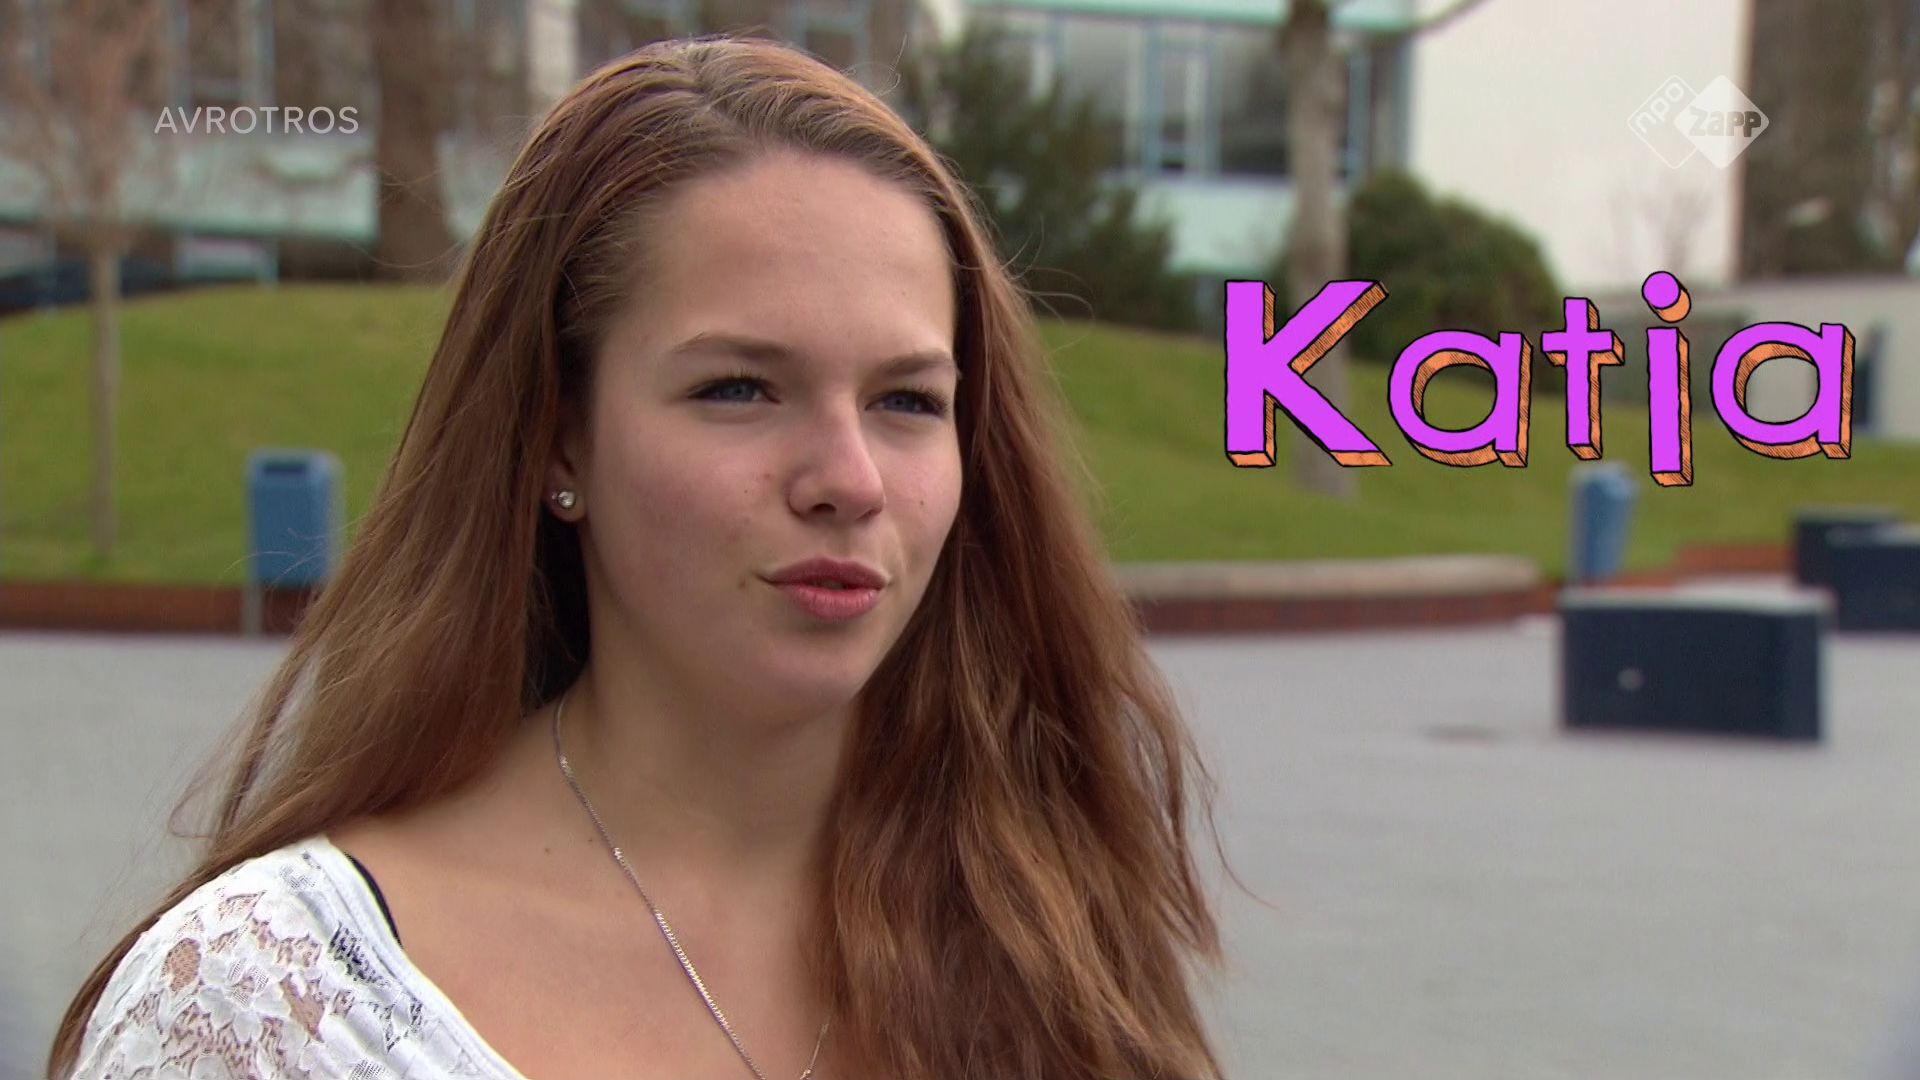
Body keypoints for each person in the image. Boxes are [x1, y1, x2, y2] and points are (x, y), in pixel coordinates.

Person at [47, 35, 1239, 1080]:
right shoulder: (268, 1004)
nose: (850, 478)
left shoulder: (1047, 937)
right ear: (557, 434)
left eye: (907, 401)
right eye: (740, 388)